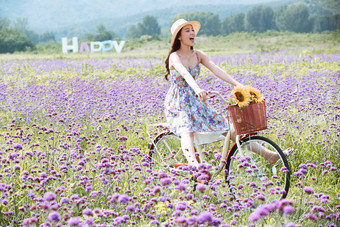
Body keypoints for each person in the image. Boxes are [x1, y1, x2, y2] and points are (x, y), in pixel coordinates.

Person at [163, 19, 291, 168]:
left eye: (192, 30)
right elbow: (185, 74)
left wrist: (238, 84)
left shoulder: (198, 55)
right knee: (187, 130)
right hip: (178, 101)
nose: (192, 33)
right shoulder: (174, 56)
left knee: (227, 129)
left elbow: (217, 70)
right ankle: (195, 167)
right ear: (179, 37)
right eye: (187, 30)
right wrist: (197, 89)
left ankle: (269, 155)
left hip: (196, 101)